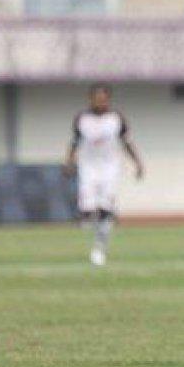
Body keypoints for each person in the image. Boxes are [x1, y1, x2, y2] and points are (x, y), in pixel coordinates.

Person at [63, 83, 144, 266]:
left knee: (105, 209)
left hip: (110, 168)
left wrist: (137, 162)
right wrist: (69, 161)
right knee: (87, 209)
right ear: (90, 99)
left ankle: (99, 248)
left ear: (108, 99)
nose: (100, 102)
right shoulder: (82, 119)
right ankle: (92, 228)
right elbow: (75, 142)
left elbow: (127, 142)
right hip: (88, 168)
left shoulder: (116, 119)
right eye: (96, 98)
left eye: (103, 98)